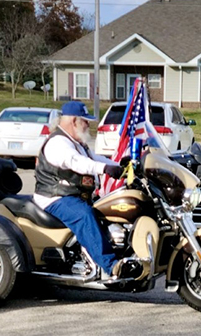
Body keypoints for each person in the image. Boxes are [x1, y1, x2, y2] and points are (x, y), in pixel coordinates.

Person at [33, 101, 137, 279]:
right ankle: (111, 266)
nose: (88, 124)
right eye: (85, 121)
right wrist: (104, 169)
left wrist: (122, 167)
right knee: (84, 215)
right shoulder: (58, 142)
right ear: (74, 121)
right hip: (55, 196)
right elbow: (75, 162)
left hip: (74, 195)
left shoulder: (76, 142)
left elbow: (94, 158)